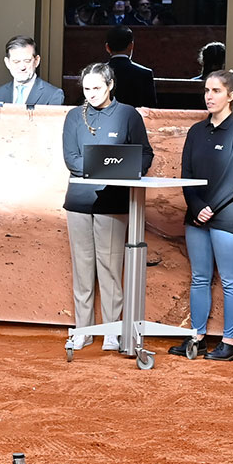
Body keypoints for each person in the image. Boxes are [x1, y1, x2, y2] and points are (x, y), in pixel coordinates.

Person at [60, 61, 152, 352]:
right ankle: (84, 330)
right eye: (86, 88)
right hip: (78, 201)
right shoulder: (74, 116)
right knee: (82, 269)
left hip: (113, 201)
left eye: (97, 87)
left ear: (110, 85)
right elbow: (70, 159)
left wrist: (114, 169)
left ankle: (113, 331)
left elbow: (144, 156)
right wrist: (106, 167)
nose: (91, 93)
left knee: (110, 269)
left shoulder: (128, 115)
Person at [170, 69, 233, 363]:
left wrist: (210, 208)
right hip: (197, 216)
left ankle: (229, 343)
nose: (209, 96)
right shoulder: (196, 131)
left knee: (230, 281)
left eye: (216, 91)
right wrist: (196, 207)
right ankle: (197, 337)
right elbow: (187, 174)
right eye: (207, 90)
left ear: (231, 96)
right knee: (200, 278)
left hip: (227, 218)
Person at [0, 34, 65, 107]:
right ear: (7, 63)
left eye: (27, 61)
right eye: (16, 62)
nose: (22, 67)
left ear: (36, 61)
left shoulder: (53, 94)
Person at [104, 26, 156, 108]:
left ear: (107, 47)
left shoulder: (96, 73)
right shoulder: (144, 74)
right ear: (131, 46)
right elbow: (151, 110)